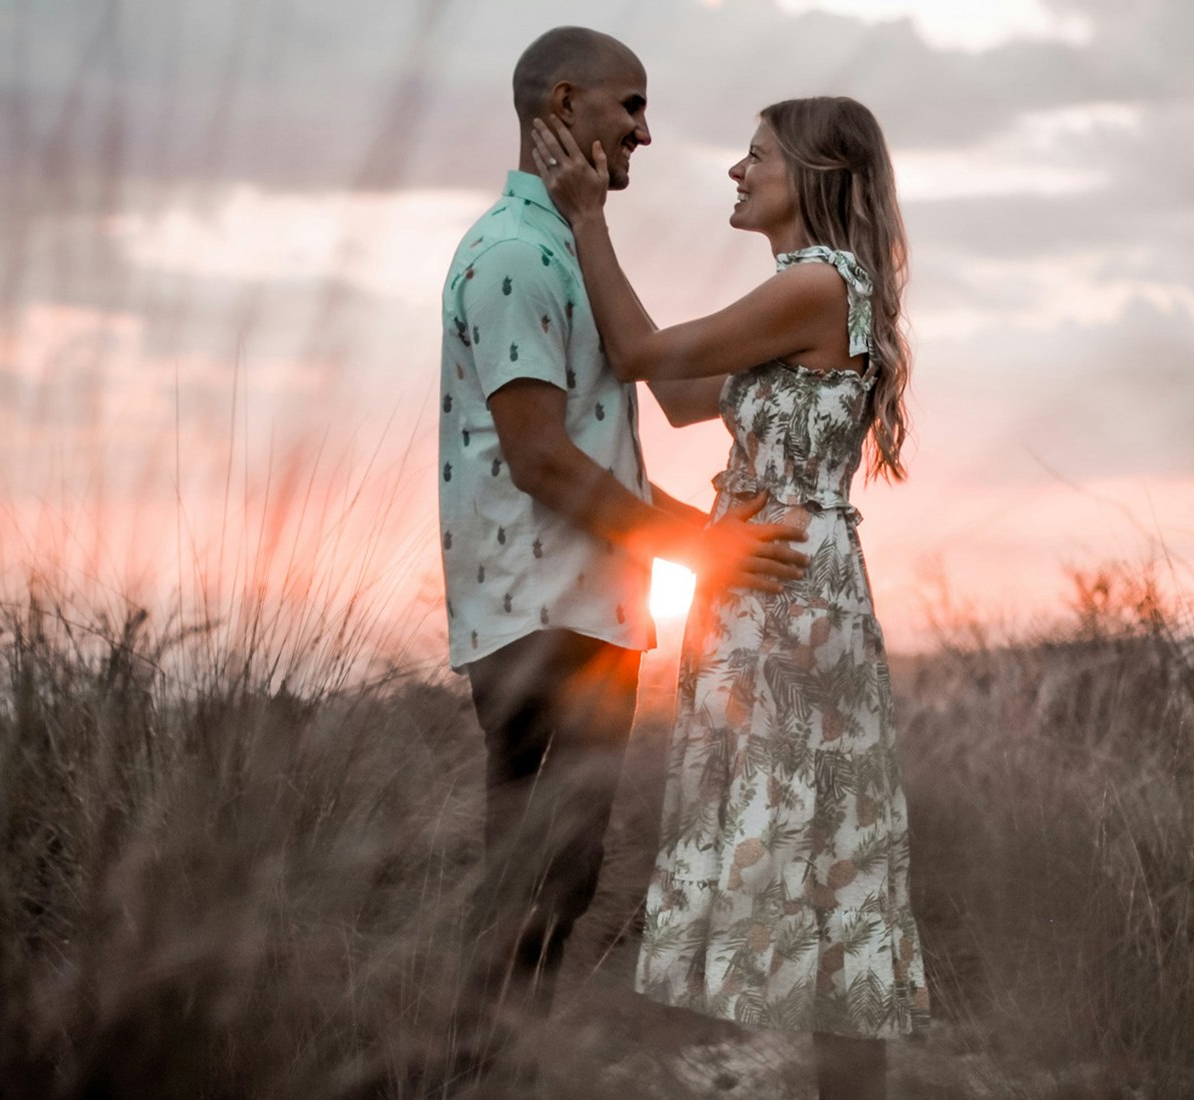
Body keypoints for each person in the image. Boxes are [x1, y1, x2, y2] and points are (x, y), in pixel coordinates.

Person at [433, 25, 811, 1094]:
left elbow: (610, 459)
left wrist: (722, 540)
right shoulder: (514, 255)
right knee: (534, 874)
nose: (646, 130)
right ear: (564, 103)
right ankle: (473, 1076)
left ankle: (507, 1071)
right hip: (536, 611)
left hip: (590, 604)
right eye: (630, 106)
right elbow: (543, 459)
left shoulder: (566, 244)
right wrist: (699, 547)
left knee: (563, 871)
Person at [531, 94, 929, 1100]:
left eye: (755, 156)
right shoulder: (802, 297)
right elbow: (674, 396)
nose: (734, 172)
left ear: (815, 174)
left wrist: (586, 217)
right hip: (765, 595)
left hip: (792, 597)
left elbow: (641, 356)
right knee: (823, 870)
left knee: (830, 871)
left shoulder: (815, 285)